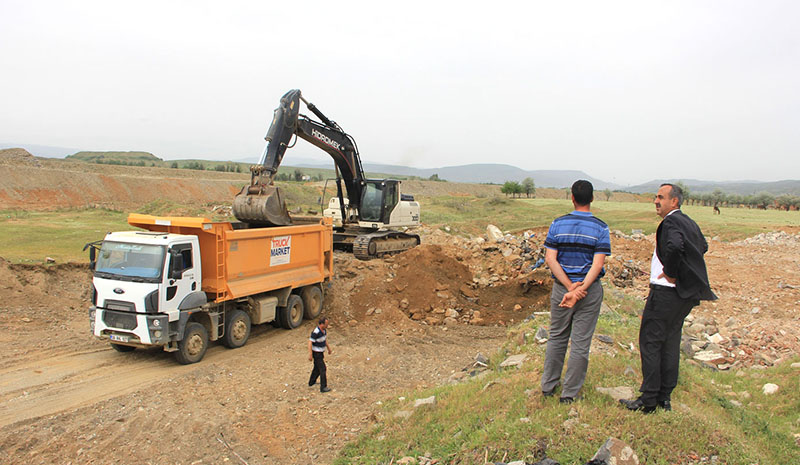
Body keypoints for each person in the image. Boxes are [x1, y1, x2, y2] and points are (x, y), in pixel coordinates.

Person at [620, 183, 717, 413]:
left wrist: (672, 273)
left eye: (661, 197)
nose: (656, 201)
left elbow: (674, 247)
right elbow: (702, 246)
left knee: (651, 341)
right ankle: (664, 398)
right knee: (670, 343)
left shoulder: (671, 222)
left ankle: (649, 399)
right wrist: (684, 271)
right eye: (656, 196)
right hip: (683, 296)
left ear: (674, 201)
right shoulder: (689, 221)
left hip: (665, 293)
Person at [541, 180, 611, 404]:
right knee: (581, 342)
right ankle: (569, 394)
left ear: (572, 197)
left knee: (557, 337)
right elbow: (597, 265)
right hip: (588, 293)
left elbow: (550, 259)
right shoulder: (601, 227)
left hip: (562, 289)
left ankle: (548, 386)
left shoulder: (557, 224)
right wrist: (580, 288)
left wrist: (569, 286)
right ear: (592, 198)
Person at [308, 316, 332, 393]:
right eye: (326, 324)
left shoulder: (324, 331)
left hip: (321, 352)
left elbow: (324, 340)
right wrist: (310, 354)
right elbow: (310, 342)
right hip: (316, 353)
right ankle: (323, 387)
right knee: (323, 369)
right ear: (322, 324)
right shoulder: (316, 332)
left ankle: (311, 382)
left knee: (317, 368)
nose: (327, 326)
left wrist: (328, 348)